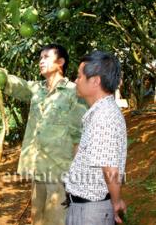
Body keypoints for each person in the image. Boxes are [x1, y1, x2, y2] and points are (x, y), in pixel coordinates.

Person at [3, 44, 87, 225]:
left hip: (60, 170)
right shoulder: (37, 89)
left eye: (46, 57)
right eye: (40, 58)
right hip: (38, 168)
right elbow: (15, 85)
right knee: (38, 218)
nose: (41, 61)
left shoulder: (74, 92)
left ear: (61, 62)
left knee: (57, 219)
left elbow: (79, 136)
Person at [64, 51, 127, 225]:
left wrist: (116, 202)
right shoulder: (100, 113)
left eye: (79, 76)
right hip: (86, 208)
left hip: (91, 212)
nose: (76, 81)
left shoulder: (104, 117)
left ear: (95, 80)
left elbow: (110, 169)